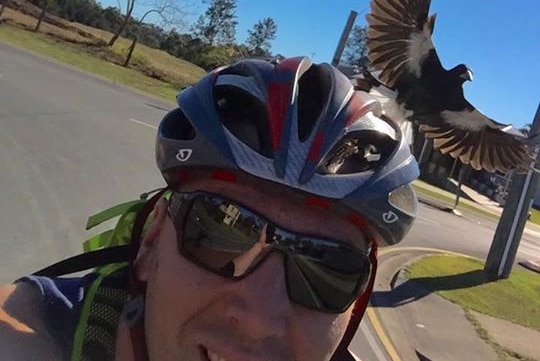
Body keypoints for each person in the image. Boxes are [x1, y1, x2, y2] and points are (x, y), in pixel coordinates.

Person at [0, 56, 419, 361]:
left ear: (355, 306)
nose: (260, 318)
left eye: (327, 271)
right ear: (149, 243)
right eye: (220, 230)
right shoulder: (23, 337)